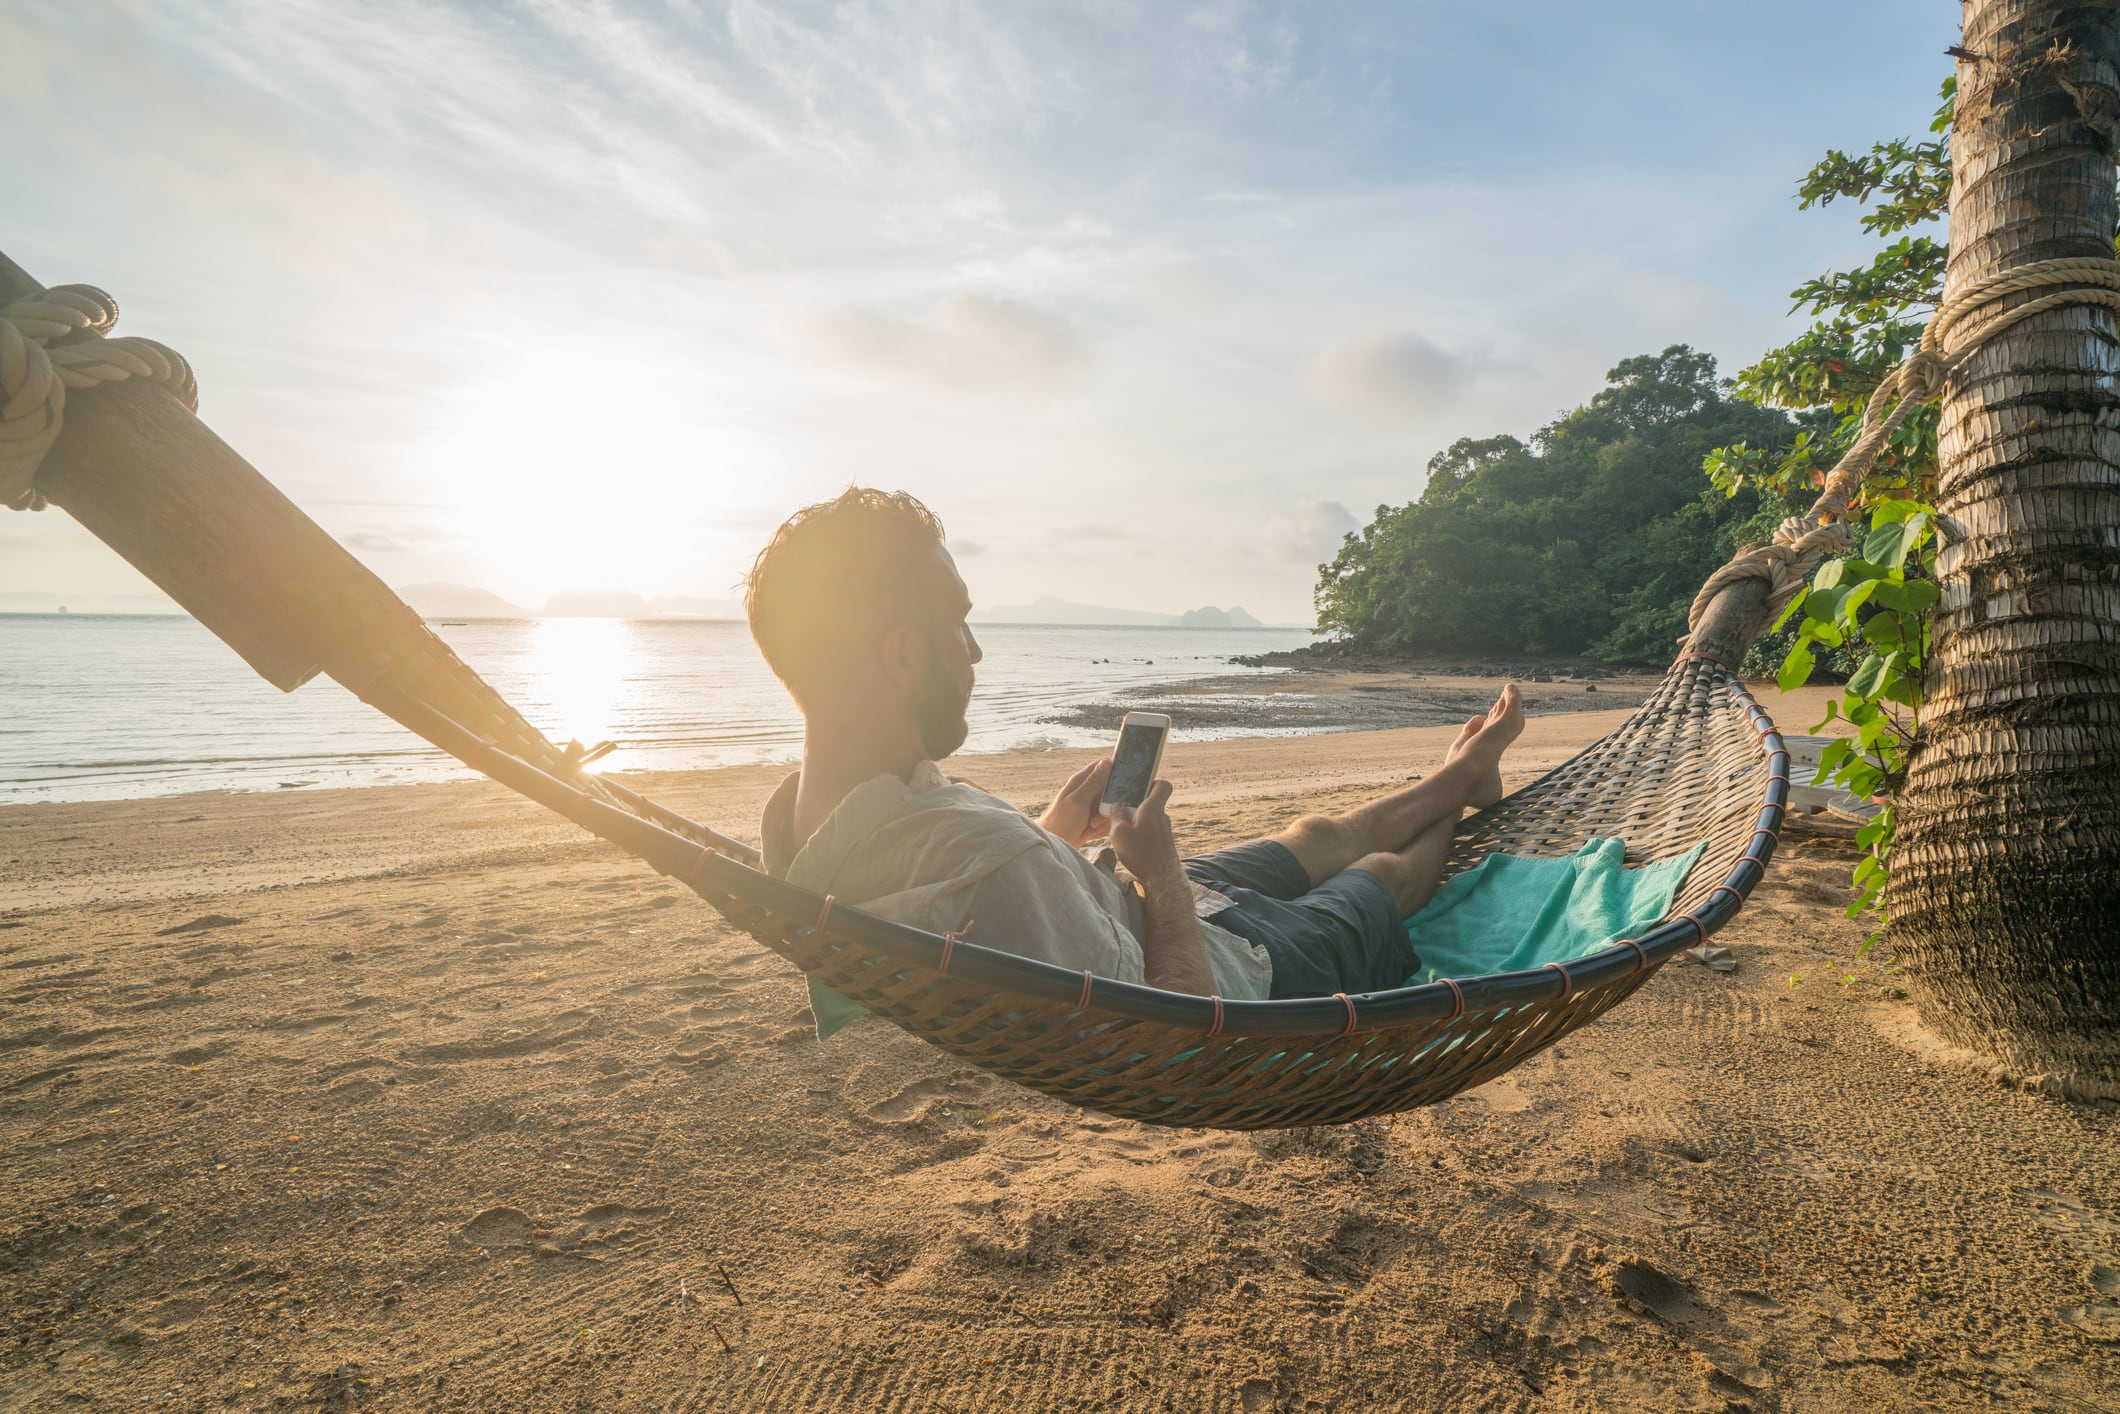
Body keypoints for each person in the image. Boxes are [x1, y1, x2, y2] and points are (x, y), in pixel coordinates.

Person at [745, 487, 1524, 1026]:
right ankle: (1462, 786)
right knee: (1377, 876)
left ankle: (1459, 773)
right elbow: (1176, 1022)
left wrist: (1051, 832)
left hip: (1114, 903)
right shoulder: (992, 860)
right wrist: (1159, 871)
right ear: (904, 656)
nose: (976, 652)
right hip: (1230, 968)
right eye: (959, 625)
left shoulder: (801, 829)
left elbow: (976, 884)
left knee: (1316, 834)